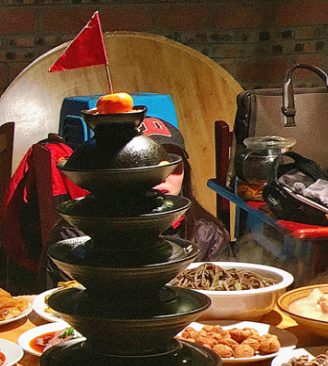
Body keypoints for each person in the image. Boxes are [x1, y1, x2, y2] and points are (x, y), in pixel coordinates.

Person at [41, 120, 233, 288]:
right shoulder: (76, 236)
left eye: (171, 165)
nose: (161, 176)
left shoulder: (206, 235)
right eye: (146, 166)